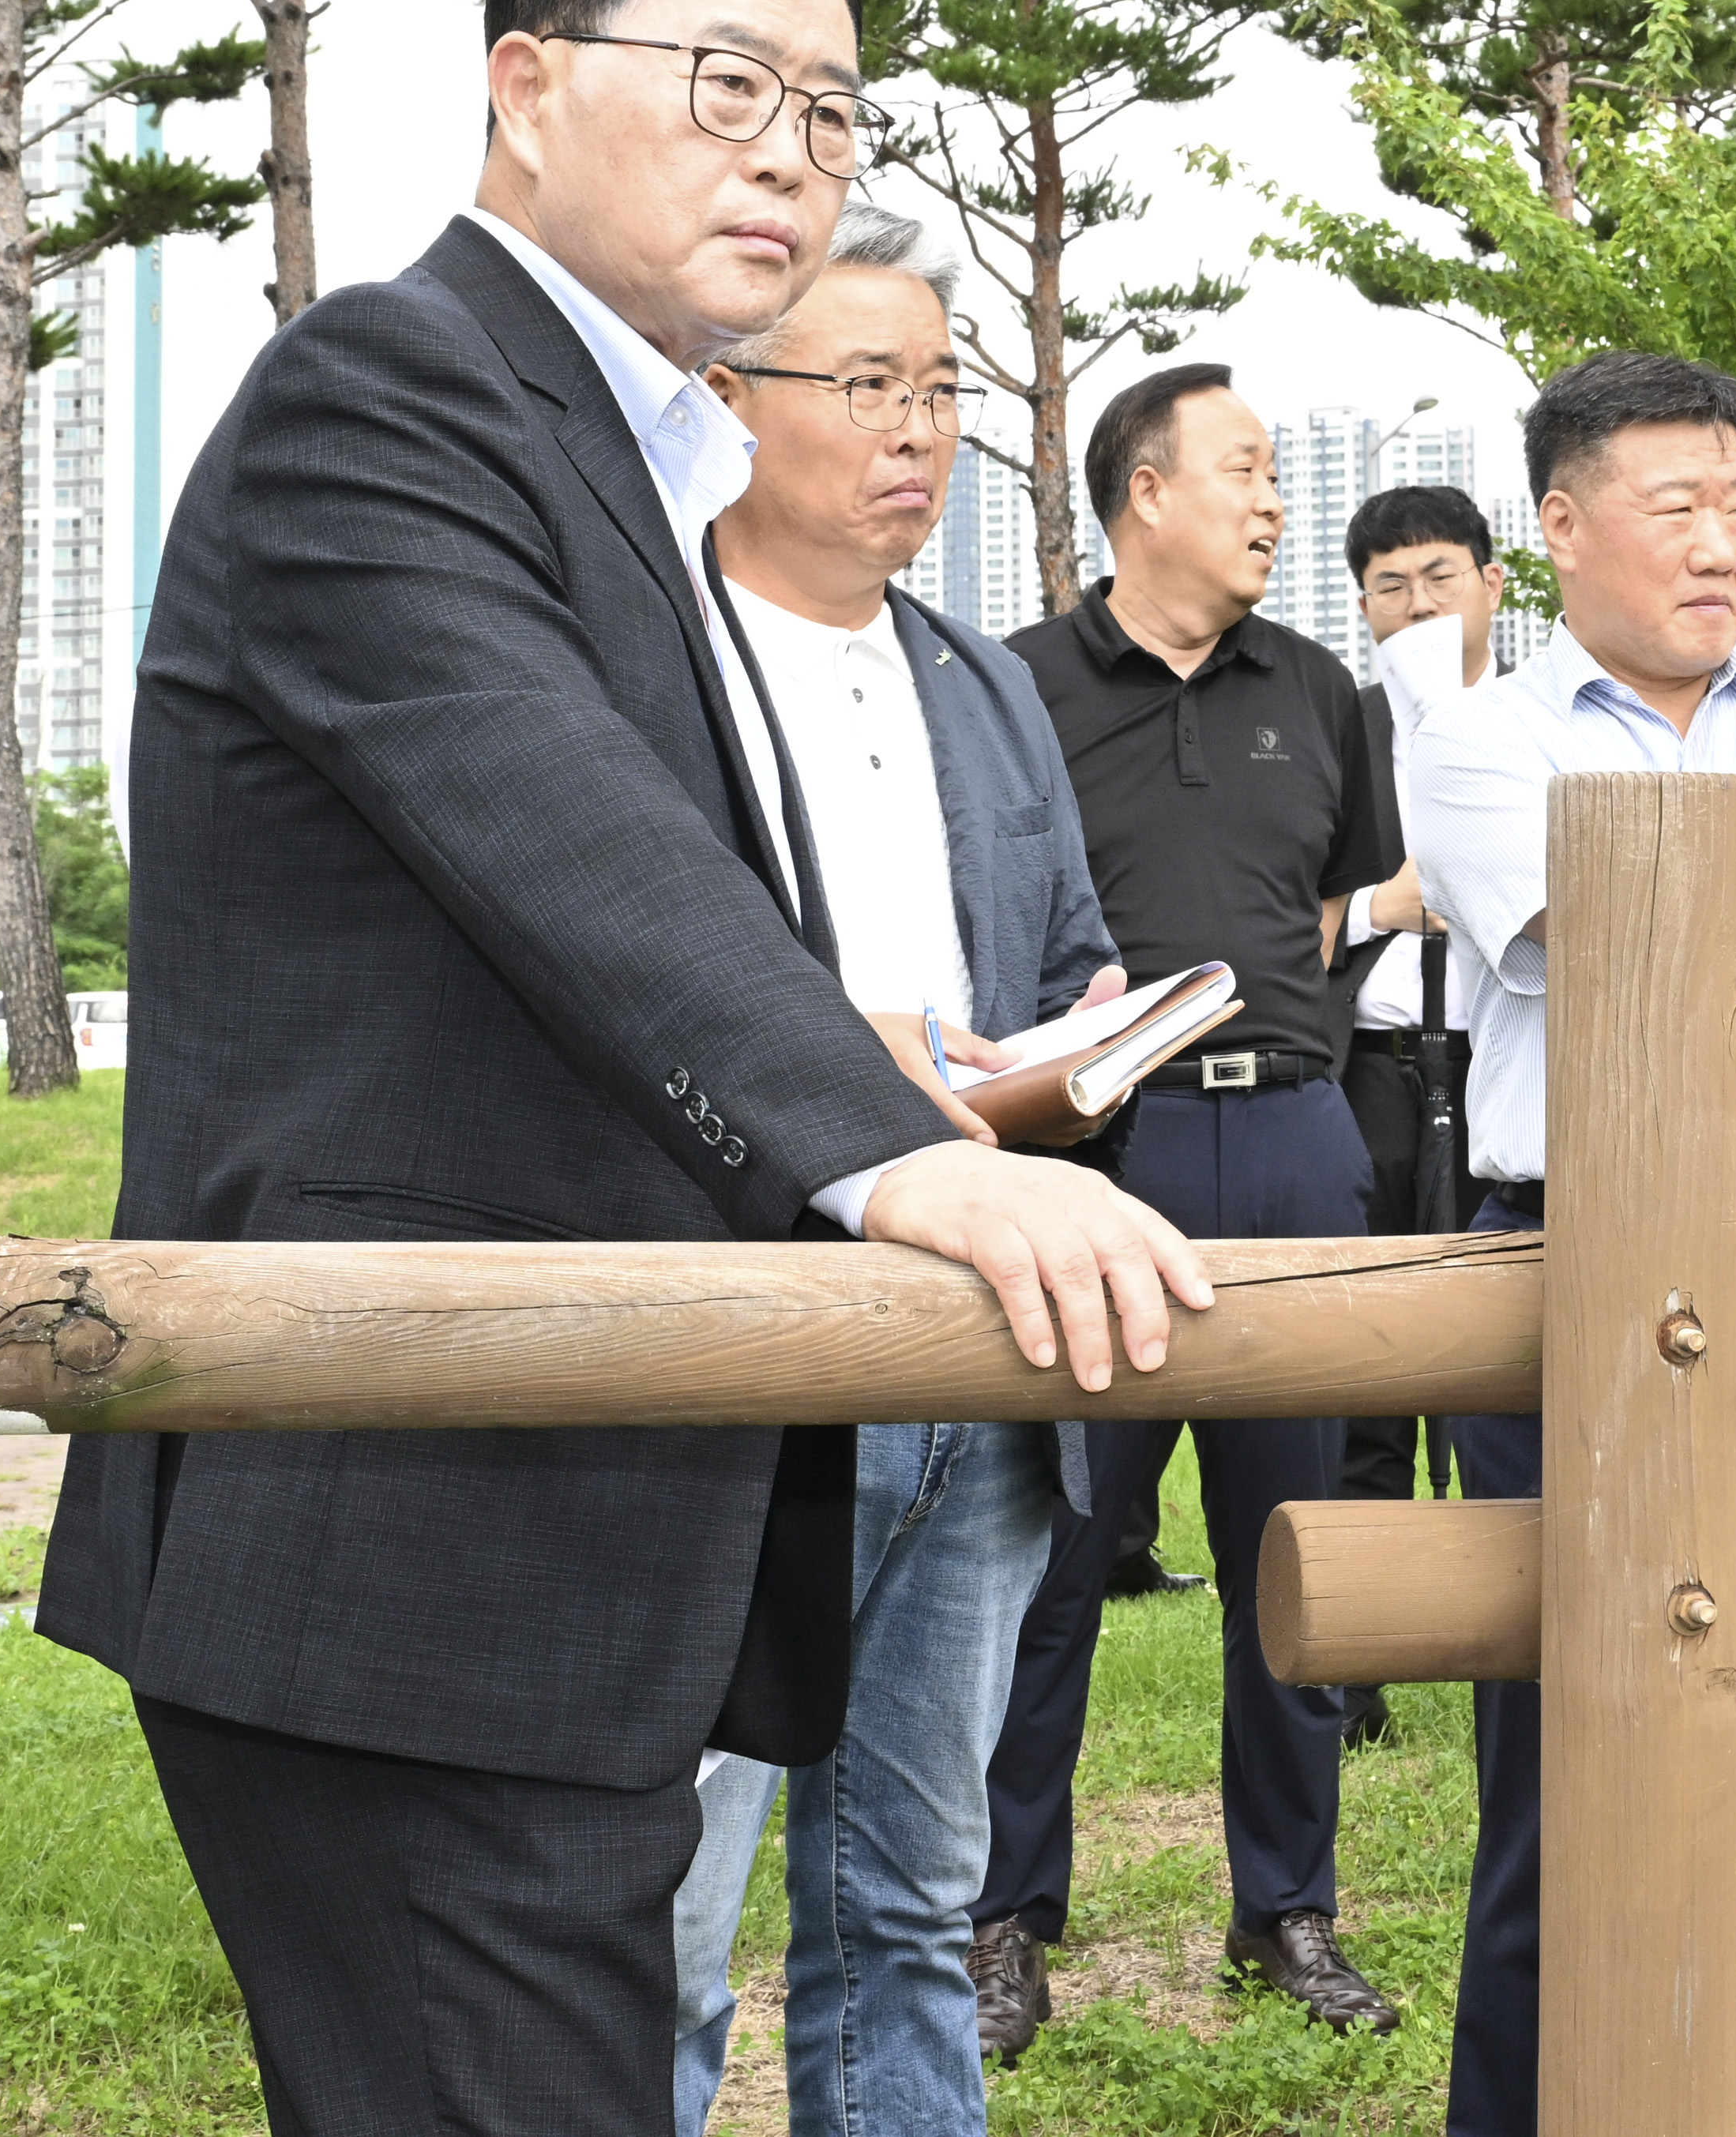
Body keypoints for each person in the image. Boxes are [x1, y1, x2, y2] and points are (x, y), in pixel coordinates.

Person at [37, 0, 1207, 2136]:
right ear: (528, 85)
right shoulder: (388, 390)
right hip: (397, 1532)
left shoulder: (627, 454)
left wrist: (884, 1068)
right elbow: (569, 843)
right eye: (731, 83)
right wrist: (898, 1156)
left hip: (541, 1523)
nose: (793, 152)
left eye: (836, 111)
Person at [1403, 346, 1736, 2137]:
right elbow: (1595, 918)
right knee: (1566, 1754)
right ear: (1562, 528)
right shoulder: (1482, 737)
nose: (1723, 544)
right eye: (1677, 508)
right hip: (1565, 1270)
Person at [655, 206, 1136, 2133]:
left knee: (914, 1903)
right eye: (867, 382)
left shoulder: (982, 678)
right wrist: (857, 1065)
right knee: (666, 1917)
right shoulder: (650, 653)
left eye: (942, 388)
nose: (918, 427)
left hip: (975, 1345)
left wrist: (1078, 1054)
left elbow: (1063, 956)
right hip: (733, 1350)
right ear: (725, 397)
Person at [975, 362, 1400, 2056]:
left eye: (1278, 470)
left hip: (1292, 1140)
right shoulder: (1011, 688)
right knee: (1056, 1553)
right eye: (1244, 469)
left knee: (1290, 1551)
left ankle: (1286, 1907)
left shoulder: (1320, 689)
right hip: (1093, 1155)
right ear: (1143, 492)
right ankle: (1004, 1919)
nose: (1275, 501)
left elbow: (1332, 905)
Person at [1320, 480, 1505, 1748]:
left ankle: (1512, 1633)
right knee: (1368, 1360)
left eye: (1439, 575)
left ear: (1492, 582)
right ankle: (1361, 1667)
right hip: (1372, 1067)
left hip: (1502, 1070)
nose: (1417, 604)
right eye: (1389, 586)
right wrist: (1382, 906)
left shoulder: (1539, 720)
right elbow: (1285, 908)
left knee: (1507, 1352)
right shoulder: (1339, 730)